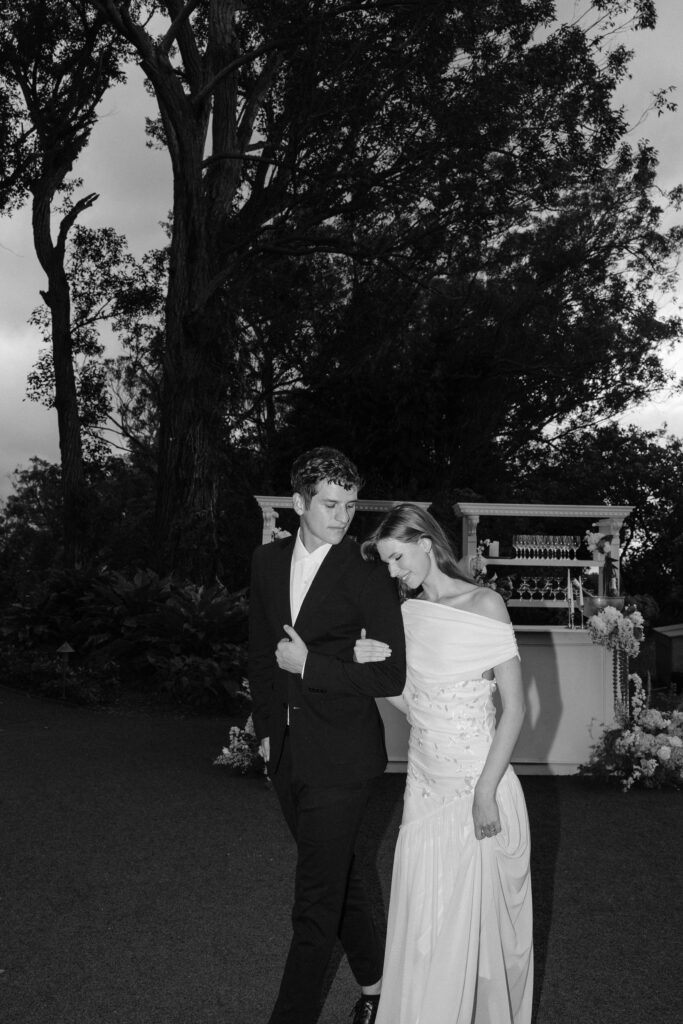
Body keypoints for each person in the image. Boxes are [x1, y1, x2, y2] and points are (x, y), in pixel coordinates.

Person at [357, 503, 533, 1024]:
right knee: (427, 925)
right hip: (424, 786)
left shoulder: (485, 604)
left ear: (424, 544)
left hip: (479, 785)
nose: (393, 572)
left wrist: (484, 791)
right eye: (386, 563)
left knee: (478, 930)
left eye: (396, 558)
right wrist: (374, 673)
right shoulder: (407, 615)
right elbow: (417, 705)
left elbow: (516, 707)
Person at [248, 447, 407, 1024]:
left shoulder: (366, 573)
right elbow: (261, 653)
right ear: (298, 503)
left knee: (314, 904)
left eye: (349, 505)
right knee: (337, 881)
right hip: (286, 754)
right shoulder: (266, 563)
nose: (343, 516)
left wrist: (310, 665)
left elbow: (391, 674)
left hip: (344, 759)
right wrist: (267, 731)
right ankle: (381, 989)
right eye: (330, 504)